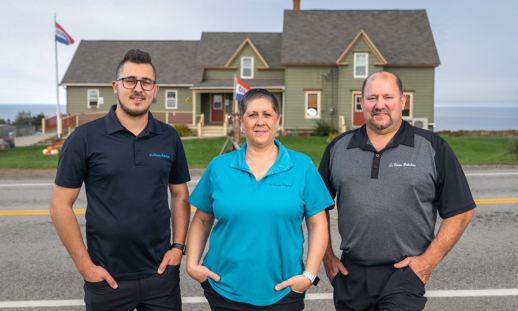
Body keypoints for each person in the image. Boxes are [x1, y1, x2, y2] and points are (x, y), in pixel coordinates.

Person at [319, 71, 476, 311]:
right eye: (372, 98)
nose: (379, 105)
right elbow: (317, 208)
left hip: (404, 275)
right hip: (351, 274)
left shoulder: (432, 148)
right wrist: (327, 258)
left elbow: (462, 211)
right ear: (362, 103)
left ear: (402, 102)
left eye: (387, 97)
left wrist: (428, 262)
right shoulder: (338, 148)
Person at [50, 49, 191, 311]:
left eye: (146, 82)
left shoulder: (169, 137)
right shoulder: (84, 138)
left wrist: (178, 248)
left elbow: (180, 195)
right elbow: (60, 205)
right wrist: (86, 267)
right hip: (107, 279)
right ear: (116, 86)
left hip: (161, 277)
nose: (138, 88)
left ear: (155, 89)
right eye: (130, 80)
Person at [186, 88, 334, 310]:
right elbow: (202, 220)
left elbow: (317, 223)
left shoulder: (302, 166)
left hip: (284, 290)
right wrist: (192, 265)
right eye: (252, 114)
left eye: (267, 114)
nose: (260, 121)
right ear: (242, 120)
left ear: (278, 120)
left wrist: (309, 276)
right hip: (223, 288)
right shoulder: (219, 167)